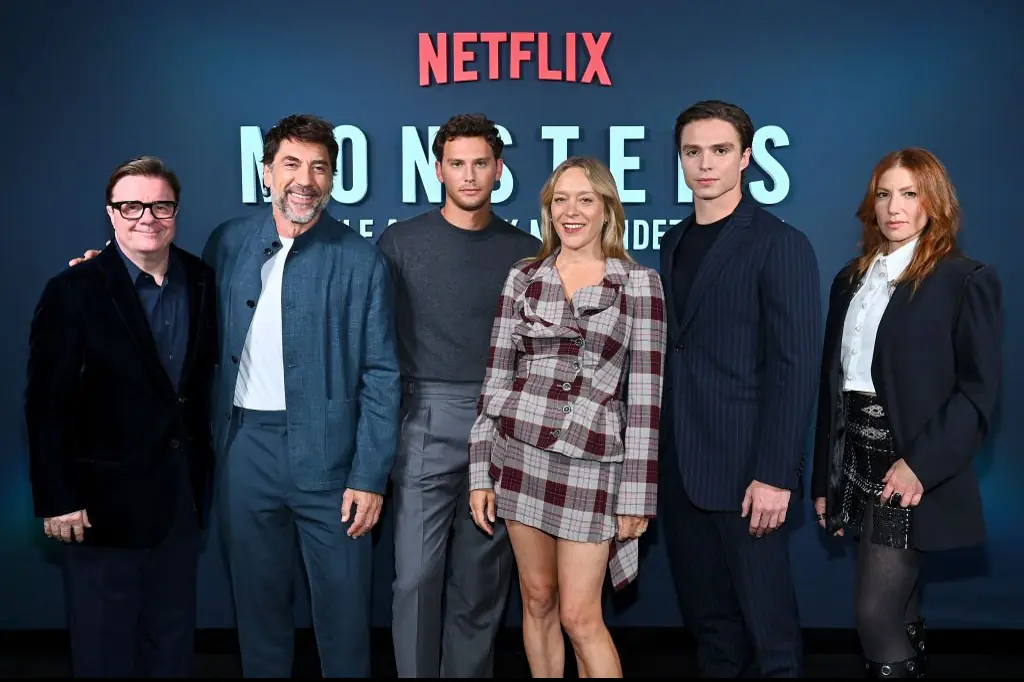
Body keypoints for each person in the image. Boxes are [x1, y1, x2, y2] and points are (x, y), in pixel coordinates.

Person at [70, 114, 401, 678]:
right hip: (244, 450)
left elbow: (382, 374)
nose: (306, 179)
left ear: (333, 179)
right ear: (266, 172)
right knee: (258, 609)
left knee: (344, 616)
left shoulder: (361, 260)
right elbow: (162, 284)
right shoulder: (228, 242)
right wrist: (102, 274)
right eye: (292, 164)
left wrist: (370, 477)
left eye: (320, 167)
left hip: (334, 460)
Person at [468, 156, 667, 679]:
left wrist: (637, 496)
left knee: (581, 617)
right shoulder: (524, 277)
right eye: (560, 200)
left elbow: (646, 399)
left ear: (606, 209)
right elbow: (496, 378)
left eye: (585, 199)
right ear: (548, 210)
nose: (571, 211)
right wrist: (479, 470)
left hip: (590, 464)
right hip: (520, 456)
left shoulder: (639, 283)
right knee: (536, 600)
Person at [811, 148, 1002, 678]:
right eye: (883, 193)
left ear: (934, 202)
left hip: (910, 465)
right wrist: (823, 479)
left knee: (875, 613)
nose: (894, 206)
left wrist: (919, 463)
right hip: (854, 456)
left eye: (910, 193)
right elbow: (833, 386)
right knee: (901, 606)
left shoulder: (964, 279)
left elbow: (978, 393)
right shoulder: (850, 280)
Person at [26, 156, 218, 677]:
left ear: (176, 210)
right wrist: (59, 498)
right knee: (103, 648)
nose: (146, 216)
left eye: (160, 204)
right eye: (131, 205)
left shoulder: (202, 281)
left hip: (179, 501)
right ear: (110, 213)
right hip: (100, 507)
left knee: (172, 643)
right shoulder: (73, 290)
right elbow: (45, 404)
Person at [658, 100, 821, 678]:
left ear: (746, 157)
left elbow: (795, 367)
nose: (706, 164)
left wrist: (777, 473)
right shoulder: (672, 244)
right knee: (712, 631)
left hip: (749, 474)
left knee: (770, 637)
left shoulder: (780, 243)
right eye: (693, 152)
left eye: (721, 151)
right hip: (680, 472)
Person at [376, 113, 537, 677]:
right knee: (416, 578)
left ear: (498, 170)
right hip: (423, 415)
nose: (469, 176)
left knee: (481, 583)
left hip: (501, 424)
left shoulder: (527, 251)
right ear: (438, 169)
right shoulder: (400, 242)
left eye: (480, 164)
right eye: (456, 164)